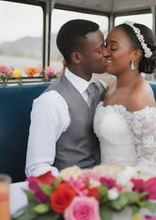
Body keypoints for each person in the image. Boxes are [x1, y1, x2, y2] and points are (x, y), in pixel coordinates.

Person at [25, 19, 107, 177]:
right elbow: (37, 167)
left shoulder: (101, 86)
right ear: (77, 57)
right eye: (99, 50)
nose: (107, 53)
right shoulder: (50, 103)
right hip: (72, 189)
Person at [93, 21, 156, 178]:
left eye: (113, 47)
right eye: (105, 46)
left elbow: (148, 166)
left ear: (136, 55)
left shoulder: (139, 96)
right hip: (105, 177)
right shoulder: (111, 85)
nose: (105, 52)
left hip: (133, 183)